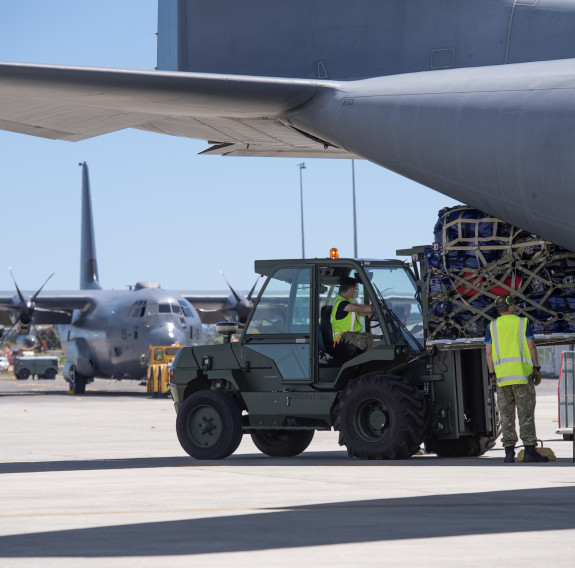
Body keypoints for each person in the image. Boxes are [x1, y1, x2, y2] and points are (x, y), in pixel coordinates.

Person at [484, 295, 549, 463]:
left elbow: (489, 353)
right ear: (511, 307)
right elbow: (531, 346)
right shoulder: (522, 323)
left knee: (506, 415)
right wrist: (536, 368)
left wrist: (492, 374)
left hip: (502, 379)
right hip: (522, 376)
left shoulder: (491, 326)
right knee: (525, 414)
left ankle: (508, 453)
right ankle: (529, 451)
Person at [330, 276, 376, 351]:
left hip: (353, 334)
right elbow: (361, 308)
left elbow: (364, 312)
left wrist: (378, 316)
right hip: (341, 337)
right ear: (351, 289)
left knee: (379, 339)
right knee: (369, 342)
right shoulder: (341, 303)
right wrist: (378, 307)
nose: (356, 291)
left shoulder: (348, 303)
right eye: (356, 289)